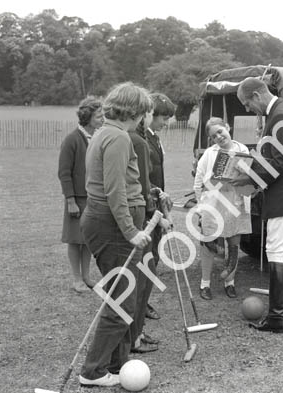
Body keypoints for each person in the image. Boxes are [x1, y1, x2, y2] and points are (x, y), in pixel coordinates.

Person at [79, 82, 153, 387]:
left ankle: (116, 363)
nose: (143, 118)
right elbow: (114, 190)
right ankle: (93, 371)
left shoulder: (103, 133)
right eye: (143, 112)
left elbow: (121, 182)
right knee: (122, 299)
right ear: (133, 111)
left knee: (127, 295)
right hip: (111, 225)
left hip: (104, 221)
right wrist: (130, 230)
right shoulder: (119, 137)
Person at [232, 77, 283, 333]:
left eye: (246, 103)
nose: (247, 109)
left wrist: (248, 180)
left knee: (275, 250)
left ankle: (277, 318)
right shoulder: (279, 113)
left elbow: (278, 162)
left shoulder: (281, 116)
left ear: (256, 95)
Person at [193, 117, 252, 300]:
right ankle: (205, 284)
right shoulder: (210, 154)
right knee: (209, 245)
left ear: (228, 127)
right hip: (213, 205)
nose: (218, 137)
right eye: (213, 136)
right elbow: (198, 181)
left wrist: (246, 179)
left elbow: (250, 177)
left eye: (220, 131)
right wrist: (200, 208)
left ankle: (230, 283)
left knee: (234, 245)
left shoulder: (242, 150)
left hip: (235, 203)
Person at [58, 97, 104, 293]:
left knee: (88, 240)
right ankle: (76, 280)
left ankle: (86, 277)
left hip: (93, 198)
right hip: (77, 199)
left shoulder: (98, 137)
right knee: (75, 240)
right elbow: (64, 172)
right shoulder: (72, 140)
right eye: (99, 116)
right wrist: (70, 201)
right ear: (88, 117)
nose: (103, 119)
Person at [127, 109, 160, 354]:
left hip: (143, 213)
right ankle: (133, 337)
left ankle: (137, 331)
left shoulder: (139, 138)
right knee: (139, 281)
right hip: (143, 218)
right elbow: (141, 182)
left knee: (142, 280)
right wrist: (153, 209)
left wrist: (157, 192)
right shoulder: (136, 141)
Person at [144, 93, 176, 319]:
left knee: (154, 253)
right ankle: (140, 303)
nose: (166, 123)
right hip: (148, 204)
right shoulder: (142, 139)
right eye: (163, 118)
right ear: (150, 115)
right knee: (148, 256)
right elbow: (143, 177)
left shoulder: (154, 137)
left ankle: (142, 300)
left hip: (157, 200)